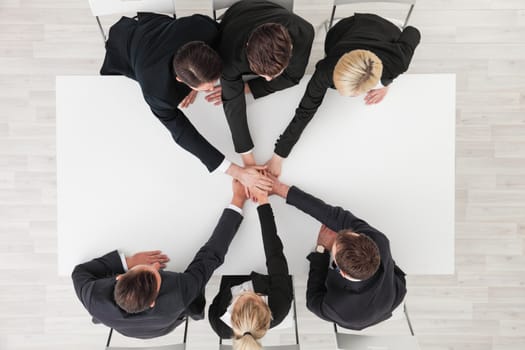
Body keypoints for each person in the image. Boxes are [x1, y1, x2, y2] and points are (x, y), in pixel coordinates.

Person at [100, 12, 272, 193]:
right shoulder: (157, 93)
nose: (212, 89)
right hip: (127, 43)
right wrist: (238, 173)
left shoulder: (205, 29)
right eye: (206, 89)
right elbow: (181, 132)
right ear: (180, 80)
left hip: (157, 26)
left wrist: (194, 87)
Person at [71, 179, 248, 339]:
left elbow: (79, 272)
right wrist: (238, 200)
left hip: (134, 328)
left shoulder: (93, 298)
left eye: (145, 268)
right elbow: (211, 255)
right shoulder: (180, 292)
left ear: (120, 277)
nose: (156, 264)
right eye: (157, 273)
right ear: (154, 301)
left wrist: (129, 261)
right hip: (164, 325)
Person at [265, 13, 421, 176]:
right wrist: (278, 157)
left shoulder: (398, 62)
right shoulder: (325, 72)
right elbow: (305, 111)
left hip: (384, 31)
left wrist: (387, 84)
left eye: (353, 93)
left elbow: (413, 32)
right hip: (347, 28)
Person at [268, 176, 407, 330]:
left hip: (362, 315)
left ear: (342, 273)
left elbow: (313, 300)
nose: (340, 233)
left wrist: (321, 249)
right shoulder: (379, 240)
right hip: (393, 292)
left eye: (335, 247)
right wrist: (279, 189)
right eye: (348, 234)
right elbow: (334, 215)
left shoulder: (337, 308)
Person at [216, 0, 314, 167]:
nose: (268, 80)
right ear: (247, 48)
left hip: (273, 10)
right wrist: (248, 160)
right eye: (262, 75)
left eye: (274, 74)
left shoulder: (304, 31)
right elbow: (234, 105)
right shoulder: (228, 56)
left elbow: (292, 77)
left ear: (290, 52)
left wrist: (249, 87)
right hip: (239, 14)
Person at [208, 189, 293, 349]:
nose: (246, 291)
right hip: (268, 271)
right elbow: (274, 252)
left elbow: (217, 299)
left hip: (233, 262)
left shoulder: (218, 323)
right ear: (268, 312)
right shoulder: (280, 305)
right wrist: (262, 201)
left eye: (240, 297)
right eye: (258, 296)